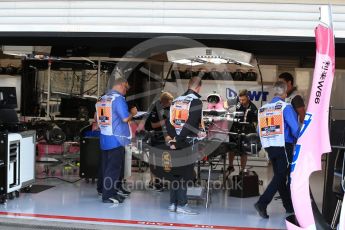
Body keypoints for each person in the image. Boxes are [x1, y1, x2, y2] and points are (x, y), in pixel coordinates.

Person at [254, 81, 299, 218]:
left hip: (269, 146)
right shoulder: (285, 107)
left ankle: (289, 206)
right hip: (283, 145)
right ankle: (262, 203)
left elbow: (258, 130)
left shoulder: (263, 108)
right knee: (280, 175)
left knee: (280, 176)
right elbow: (295, 129)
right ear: (285, 93)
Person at [165, 76, 204, 215]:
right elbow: (190, 124)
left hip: (176, 141)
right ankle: (182, 204)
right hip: (187, 142)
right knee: (185, 173)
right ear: (199, 87)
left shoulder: (175, 100)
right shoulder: (196, 101)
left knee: (175, 173)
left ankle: (172, 203)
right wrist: (180, 140)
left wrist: (174, 139)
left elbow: (168, 122)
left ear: (189, 85)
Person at [96, 77, 137, 204]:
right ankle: (109, 195)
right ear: (120, 85)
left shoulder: (103, 98)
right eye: (126, 87)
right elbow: (125, 119)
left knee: (105, 167)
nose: (126, 90)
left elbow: (95, 118)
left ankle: (102, 190)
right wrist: (133, 113)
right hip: (116, 139)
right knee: (113, 168)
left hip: (104, 137)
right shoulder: (118, 99)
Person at [224, 89, 258, 174]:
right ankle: (230, 166)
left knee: (244, 151)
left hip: (246, 131)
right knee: (231, 147)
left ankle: (242, 170)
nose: (241, 101)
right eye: (240, 99)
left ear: (248, 98)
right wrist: (226, 109)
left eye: (243, 100)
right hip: (234, 128)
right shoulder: (237, 101)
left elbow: (255, 124)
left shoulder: (253, 109)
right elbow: (225, 103)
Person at [146, 92, 174, 191]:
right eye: (170, 103)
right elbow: (153, 125)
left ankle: (160, 180)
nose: (171, 104)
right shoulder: (155, 108)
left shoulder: (168, 107)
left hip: (165, 136)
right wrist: (167, 121)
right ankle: (154, 181)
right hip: (155, 135)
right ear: (164, 102)